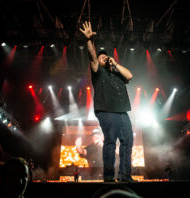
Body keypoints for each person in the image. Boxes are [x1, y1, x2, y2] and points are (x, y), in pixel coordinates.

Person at [79, 21, 134, 183]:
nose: (104, 58)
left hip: (123, 111)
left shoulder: (117, 74)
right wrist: (89, 40)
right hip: (106, 110)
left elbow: (129, 76)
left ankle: (125, 175)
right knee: (110, 141)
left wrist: (115, 63)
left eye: (106, 56)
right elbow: (92, 56)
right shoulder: (98, 72)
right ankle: (109, 176)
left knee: (128, 142)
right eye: (101, 57)